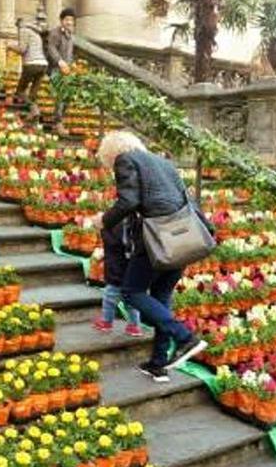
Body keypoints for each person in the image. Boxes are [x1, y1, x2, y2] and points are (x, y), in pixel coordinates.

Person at [92, 130, 209, 383]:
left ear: (112, 154)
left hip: (156, 241)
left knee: (131, 291)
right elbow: (187, 199)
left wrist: (103, 221)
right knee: (161, 298)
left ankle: (185, 338)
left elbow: (128, 202)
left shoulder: (126, 160)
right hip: (181, 239)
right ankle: (158, 364)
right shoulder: (164, 163)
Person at [93, 221, 144, 337]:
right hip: (133, 273)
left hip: (116, 274)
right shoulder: (133, 230)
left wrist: (102, 227)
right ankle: (135, 325)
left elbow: (108, 239)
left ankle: (106, 321)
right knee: (132, 300)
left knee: (109, 297)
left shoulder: (115, 231)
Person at [9, 14, 48, 121]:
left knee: (20, 91)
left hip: (32, 64)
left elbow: (22, 49)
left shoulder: (23, 30)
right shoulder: (36, 32)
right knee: (32, 94)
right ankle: (33, 115)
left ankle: (35, 110)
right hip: (43, 65)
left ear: (19, 24)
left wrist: (10, 46)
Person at [46, 7, 76, 136]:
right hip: (55, 69)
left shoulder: (70, 36)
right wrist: (60, 61)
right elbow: (51, 49)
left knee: (68, 97)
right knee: (61, 94)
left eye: (71, 20)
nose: (69, 22)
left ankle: (58, 121)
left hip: (67, 71)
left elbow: (70, 53)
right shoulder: (55, 33)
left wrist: (71, 65)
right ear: (62, 20)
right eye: (67, 19)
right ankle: (57, 123)